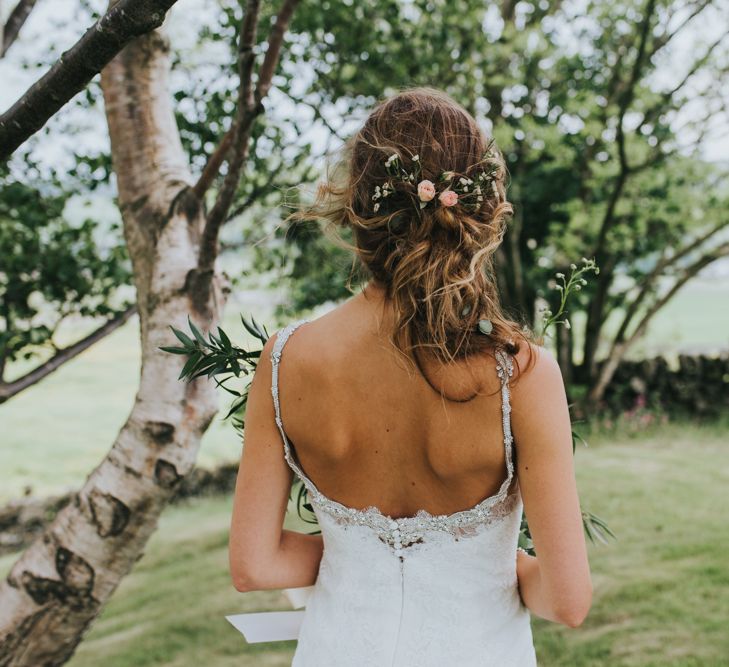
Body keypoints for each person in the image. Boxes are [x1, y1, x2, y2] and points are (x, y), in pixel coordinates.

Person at [228, 86, 592, 666]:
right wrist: (497, 564)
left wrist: (359, 555)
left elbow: (255, 566)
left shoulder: (284, 360)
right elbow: (567, 601)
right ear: (481, 207)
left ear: (358, 207)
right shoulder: (519, 374)